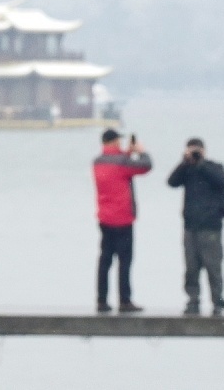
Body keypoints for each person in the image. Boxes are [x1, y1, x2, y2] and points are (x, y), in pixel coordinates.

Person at [168, 137, 224, 315]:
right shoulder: (186, 170)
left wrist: (201, 163)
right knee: (191, 268)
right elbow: (172, 182)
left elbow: (221, 180)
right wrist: (184, 162)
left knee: (213, 266)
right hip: (190, 227)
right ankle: (193, 300)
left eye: (196, 150)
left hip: (210, 227)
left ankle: (217, 301)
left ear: (204, 151)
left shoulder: (214, 167)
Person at [93, 128, 152, 313]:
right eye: (118, 140)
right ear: (113, 141)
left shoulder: (98, 162)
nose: (120, 143)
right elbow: (145, 166)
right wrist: (141, 151)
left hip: (105, 217)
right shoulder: (122, 162)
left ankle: (102, 300)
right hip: (123, 218)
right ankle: (124, 301)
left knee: (105, 260)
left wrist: (128, 153)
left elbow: (119, 163)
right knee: (125, 261)